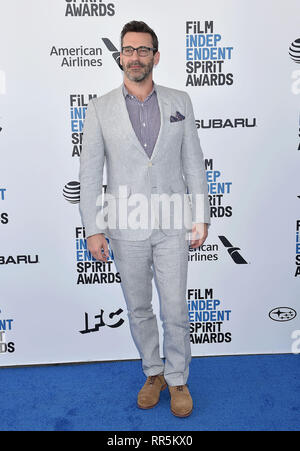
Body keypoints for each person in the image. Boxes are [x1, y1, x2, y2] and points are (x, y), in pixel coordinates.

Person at [79, 21, 210, 418]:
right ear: (120, 56)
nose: (135, 56)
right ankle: (153, 372)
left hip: (173, 224)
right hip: (124, 226)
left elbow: (193, 161)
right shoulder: (100, 108)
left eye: (143, 49)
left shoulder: (179, 101)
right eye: (129, 50)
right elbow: (90, 172)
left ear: (156, 55)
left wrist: (201, 216)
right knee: (138, 308)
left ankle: (178, 378)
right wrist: (94, 227)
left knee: (174, 308)